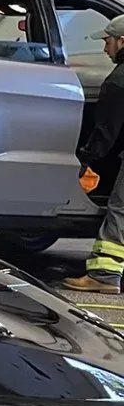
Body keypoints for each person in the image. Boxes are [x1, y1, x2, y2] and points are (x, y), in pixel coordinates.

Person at [63, 15, 124, 293]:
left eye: (108, 42)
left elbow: (106, 131)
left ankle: (104, 275)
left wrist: (86, 158)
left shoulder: (118, 81)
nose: (105, 49)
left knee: (120, 211)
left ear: (122, 41)